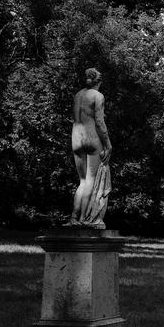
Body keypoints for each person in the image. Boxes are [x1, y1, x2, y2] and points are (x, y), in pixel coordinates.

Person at [69, 68, 113, 227]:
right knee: (91, 181)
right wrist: (108, 144)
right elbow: (100, 123)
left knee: (82, 181)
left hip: (76, 138)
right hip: (92, 139)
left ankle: (74, 218)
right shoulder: (98, 96)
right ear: (98, 81)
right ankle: (85, 219)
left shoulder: (78, 95)